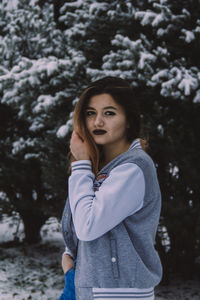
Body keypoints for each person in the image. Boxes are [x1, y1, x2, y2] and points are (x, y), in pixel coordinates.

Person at [59, 76, 162, 300]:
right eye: (90, 113)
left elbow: (88, 225)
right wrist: (71, 266)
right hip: (89, 288)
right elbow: (77, 224)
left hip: (120, 292)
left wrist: (82, 165)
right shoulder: (97, 167)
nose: (97, 122)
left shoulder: (134, 168)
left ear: (128, 120)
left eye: (109, 113)